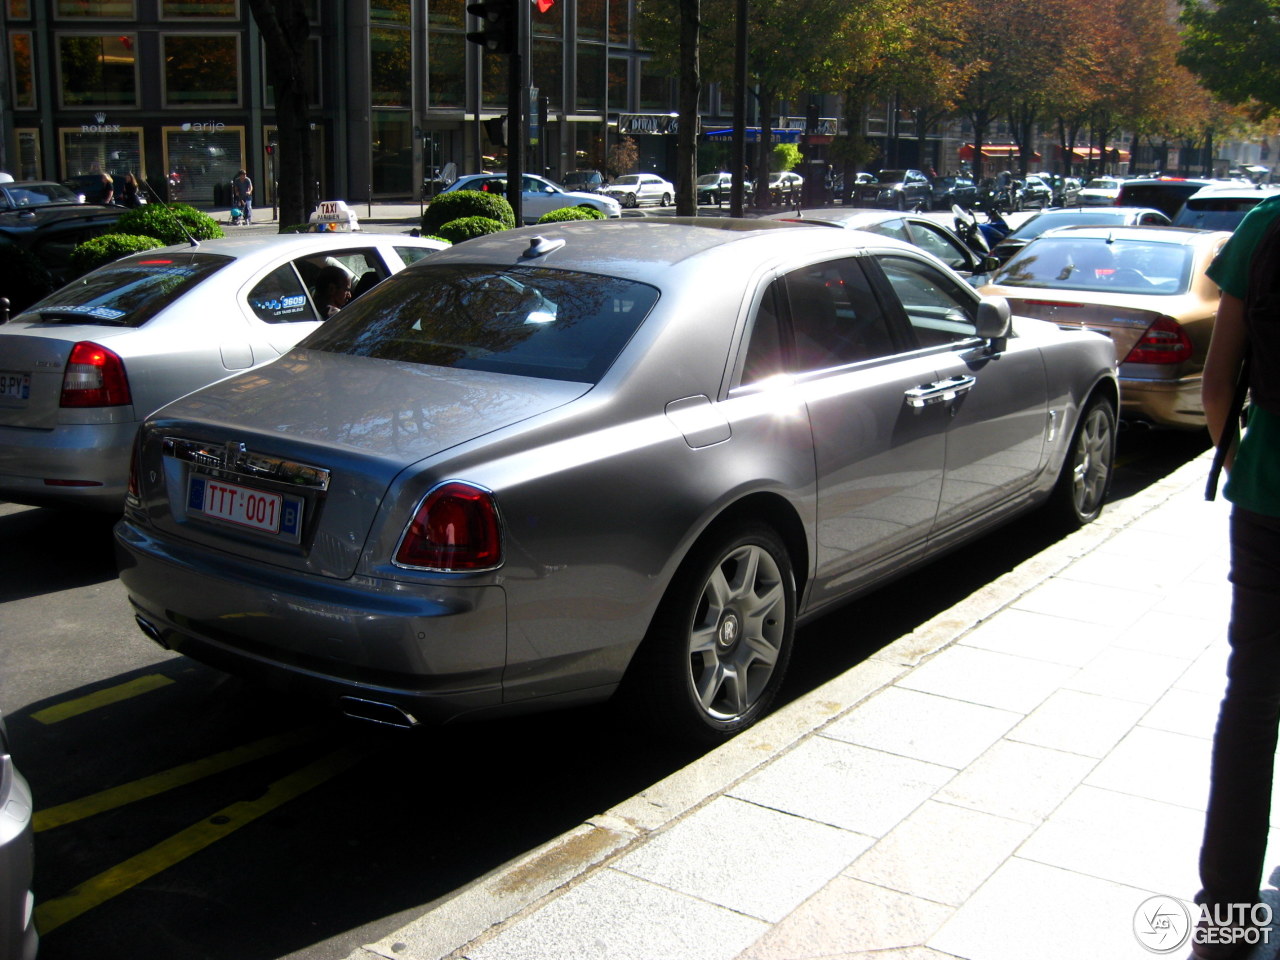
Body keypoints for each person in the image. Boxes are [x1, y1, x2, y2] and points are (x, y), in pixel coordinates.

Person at [1193, 187, 1280, 958]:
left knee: (1252, 701)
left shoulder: (1267, 225)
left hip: (1270, 502)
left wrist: (1246, 455)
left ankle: (1225, 916)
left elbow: (1219, 383)